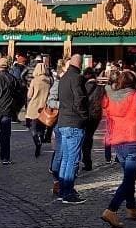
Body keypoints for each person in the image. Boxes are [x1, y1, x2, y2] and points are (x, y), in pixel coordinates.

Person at [99, 69, 136, 228]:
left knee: (129, 176)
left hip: (117, 140)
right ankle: (112, 209)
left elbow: (104, 109)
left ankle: (131, 208)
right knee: (129, 178)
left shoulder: (111, 96)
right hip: (134, 139)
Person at [51, 53, 90, 204]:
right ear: (80, 64)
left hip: (63, 121)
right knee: (73, 160)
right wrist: (84, 116)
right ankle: (68, 192)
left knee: (66, 159)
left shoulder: (63, 78)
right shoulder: (77, 78)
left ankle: (63, 190)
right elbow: (79, 98)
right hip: (74, 122)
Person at [81, 67, 106, 171]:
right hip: (96, 116)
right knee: (89, 137)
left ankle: (86, 161)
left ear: (87, 75)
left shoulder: (84, 87)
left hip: (86, 115)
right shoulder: (101, 88)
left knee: (84, 139)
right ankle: (87, 161)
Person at [26, 61, 52, 158]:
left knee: (33, 128)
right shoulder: (49, 80)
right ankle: (41, 138)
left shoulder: (34, 80)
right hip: (44, 107)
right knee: (41, 127)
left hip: (34, 107)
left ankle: (37, 141)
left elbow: (29, 95)